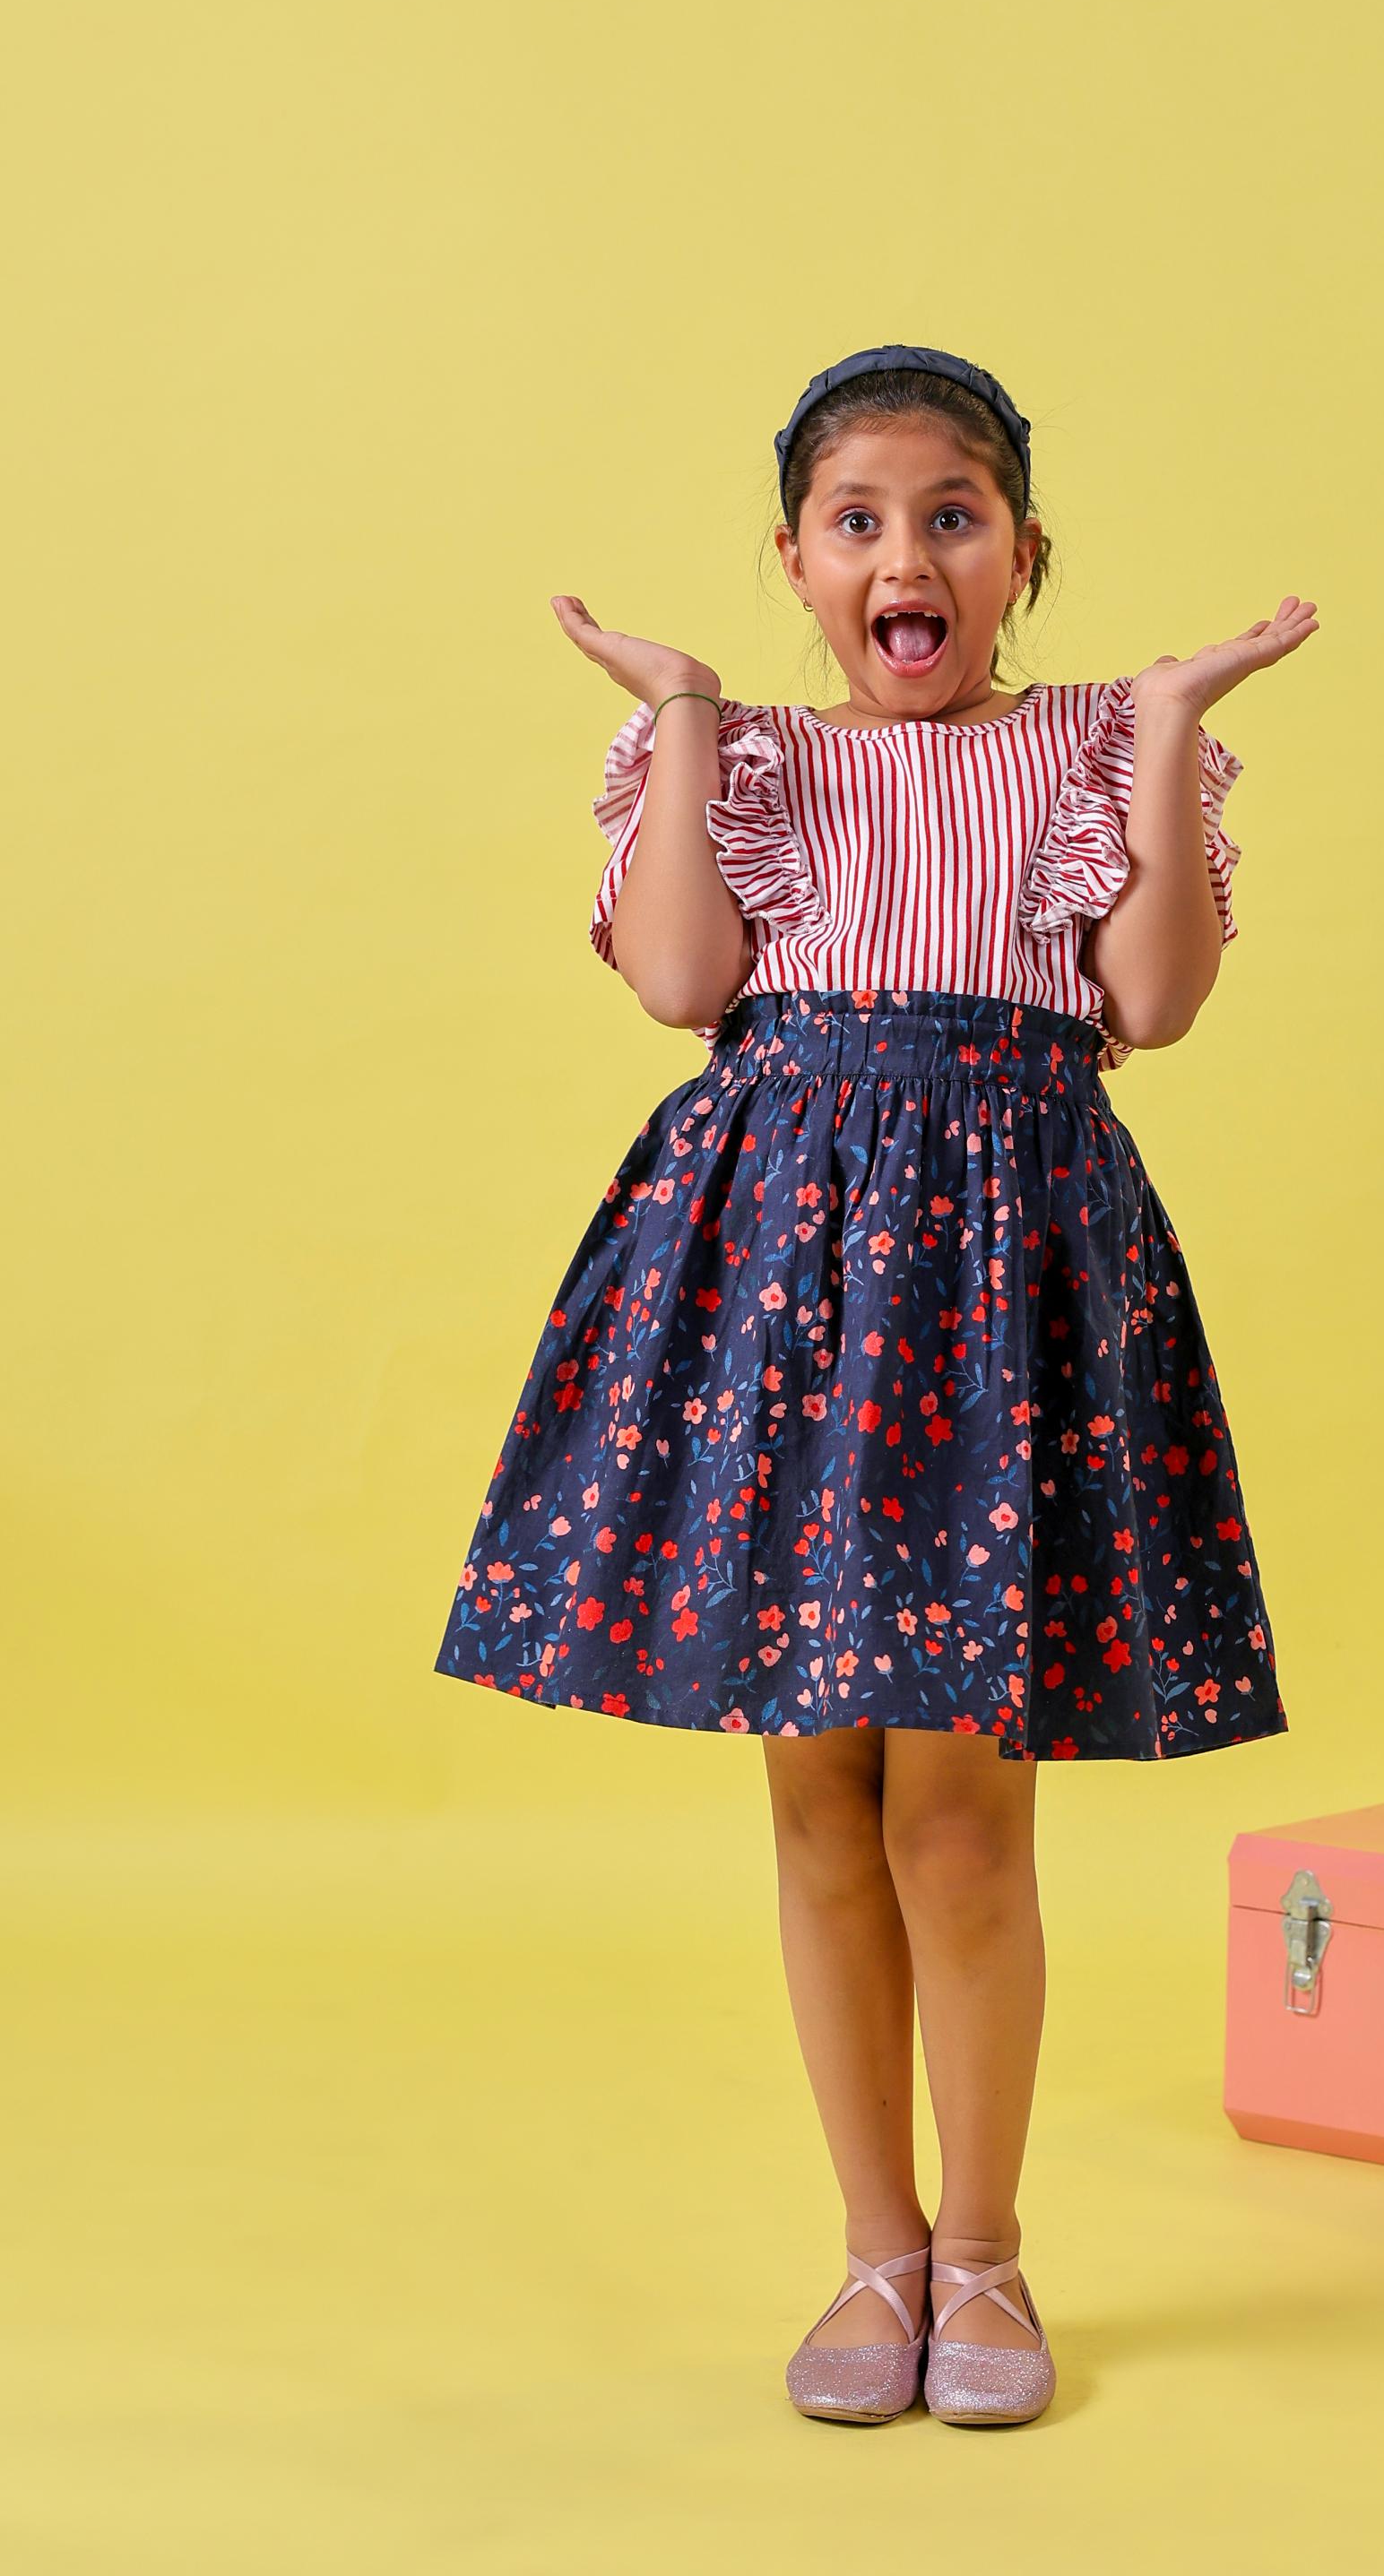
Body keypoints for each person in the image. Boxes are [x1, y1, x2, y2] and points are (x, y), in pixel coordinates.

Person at [432, 343, 1317, 2428]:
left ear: (1020, 553)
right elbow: (677, 986)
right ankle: (874, 2255)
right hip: (773, 1275)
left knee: (959, 1804)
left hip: (1006, 1275)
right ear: (797, 561)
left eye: (952, 516)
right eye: (858, 522)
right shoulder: (738, 760)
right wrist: (667, 718)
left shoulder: (1105, 742)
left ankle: (989, 2264)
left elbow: (1153, 1003)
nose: (905, 554)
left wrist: (1177, 730)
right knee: (820, 1778)